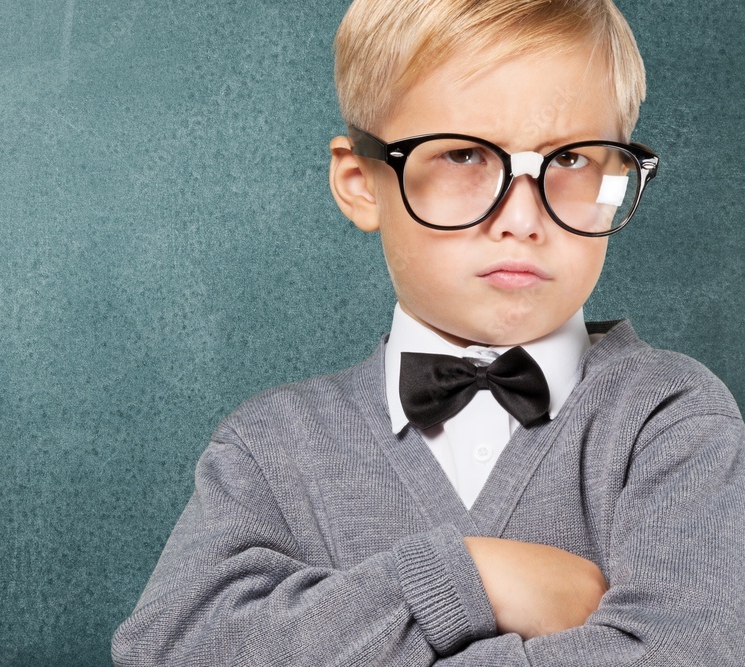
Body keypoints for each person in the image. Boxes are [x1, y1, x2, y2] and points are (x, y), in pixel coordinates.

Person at [112, 0, 745, 664]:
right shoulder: (269, 447)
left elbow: (693, 650)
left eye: (574, 160)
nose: (524, 218)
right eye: (465, 154)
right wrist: (468, 578)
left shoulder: (671, 419)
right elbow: (172, 647)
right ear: (362, 184)